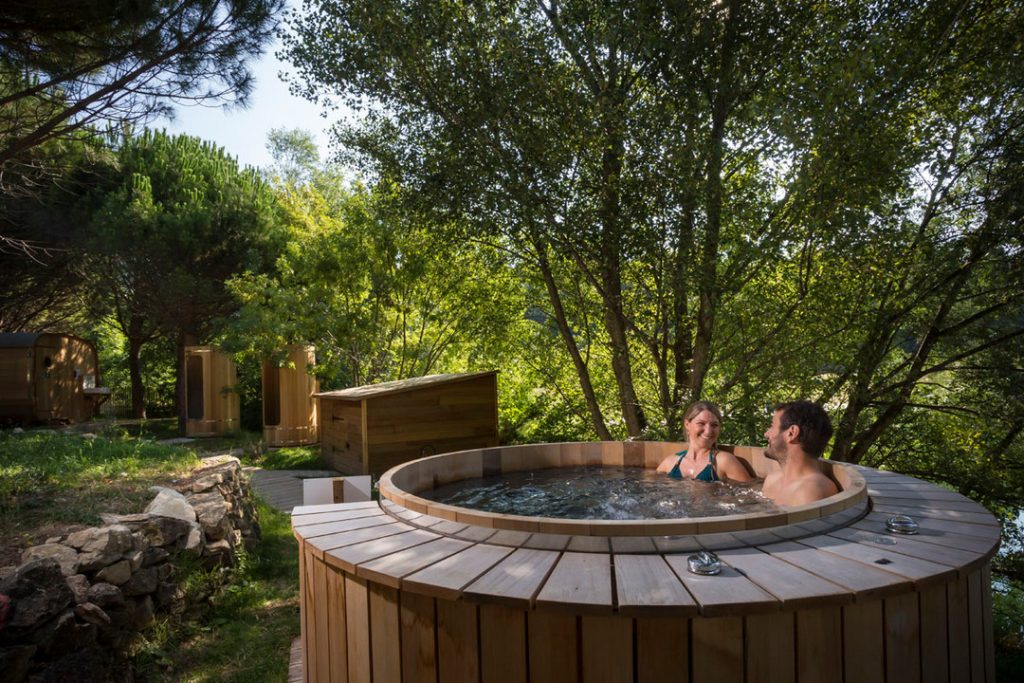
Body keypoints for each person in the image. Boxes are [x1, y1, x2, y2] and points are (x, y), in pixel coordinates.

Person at [761, 400, 839, 505]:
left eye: (772, 426)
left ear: (791, 433)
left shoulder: (811, 491)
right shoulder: (772, 480)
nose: (766, 434)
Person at [657, 401, 752, 482]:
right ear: (687, 424)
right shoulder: (670, 463)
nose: (708, 431)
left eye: (714, 425)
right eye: (701, 423)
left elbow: (749, 498)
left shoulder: (724, 461)